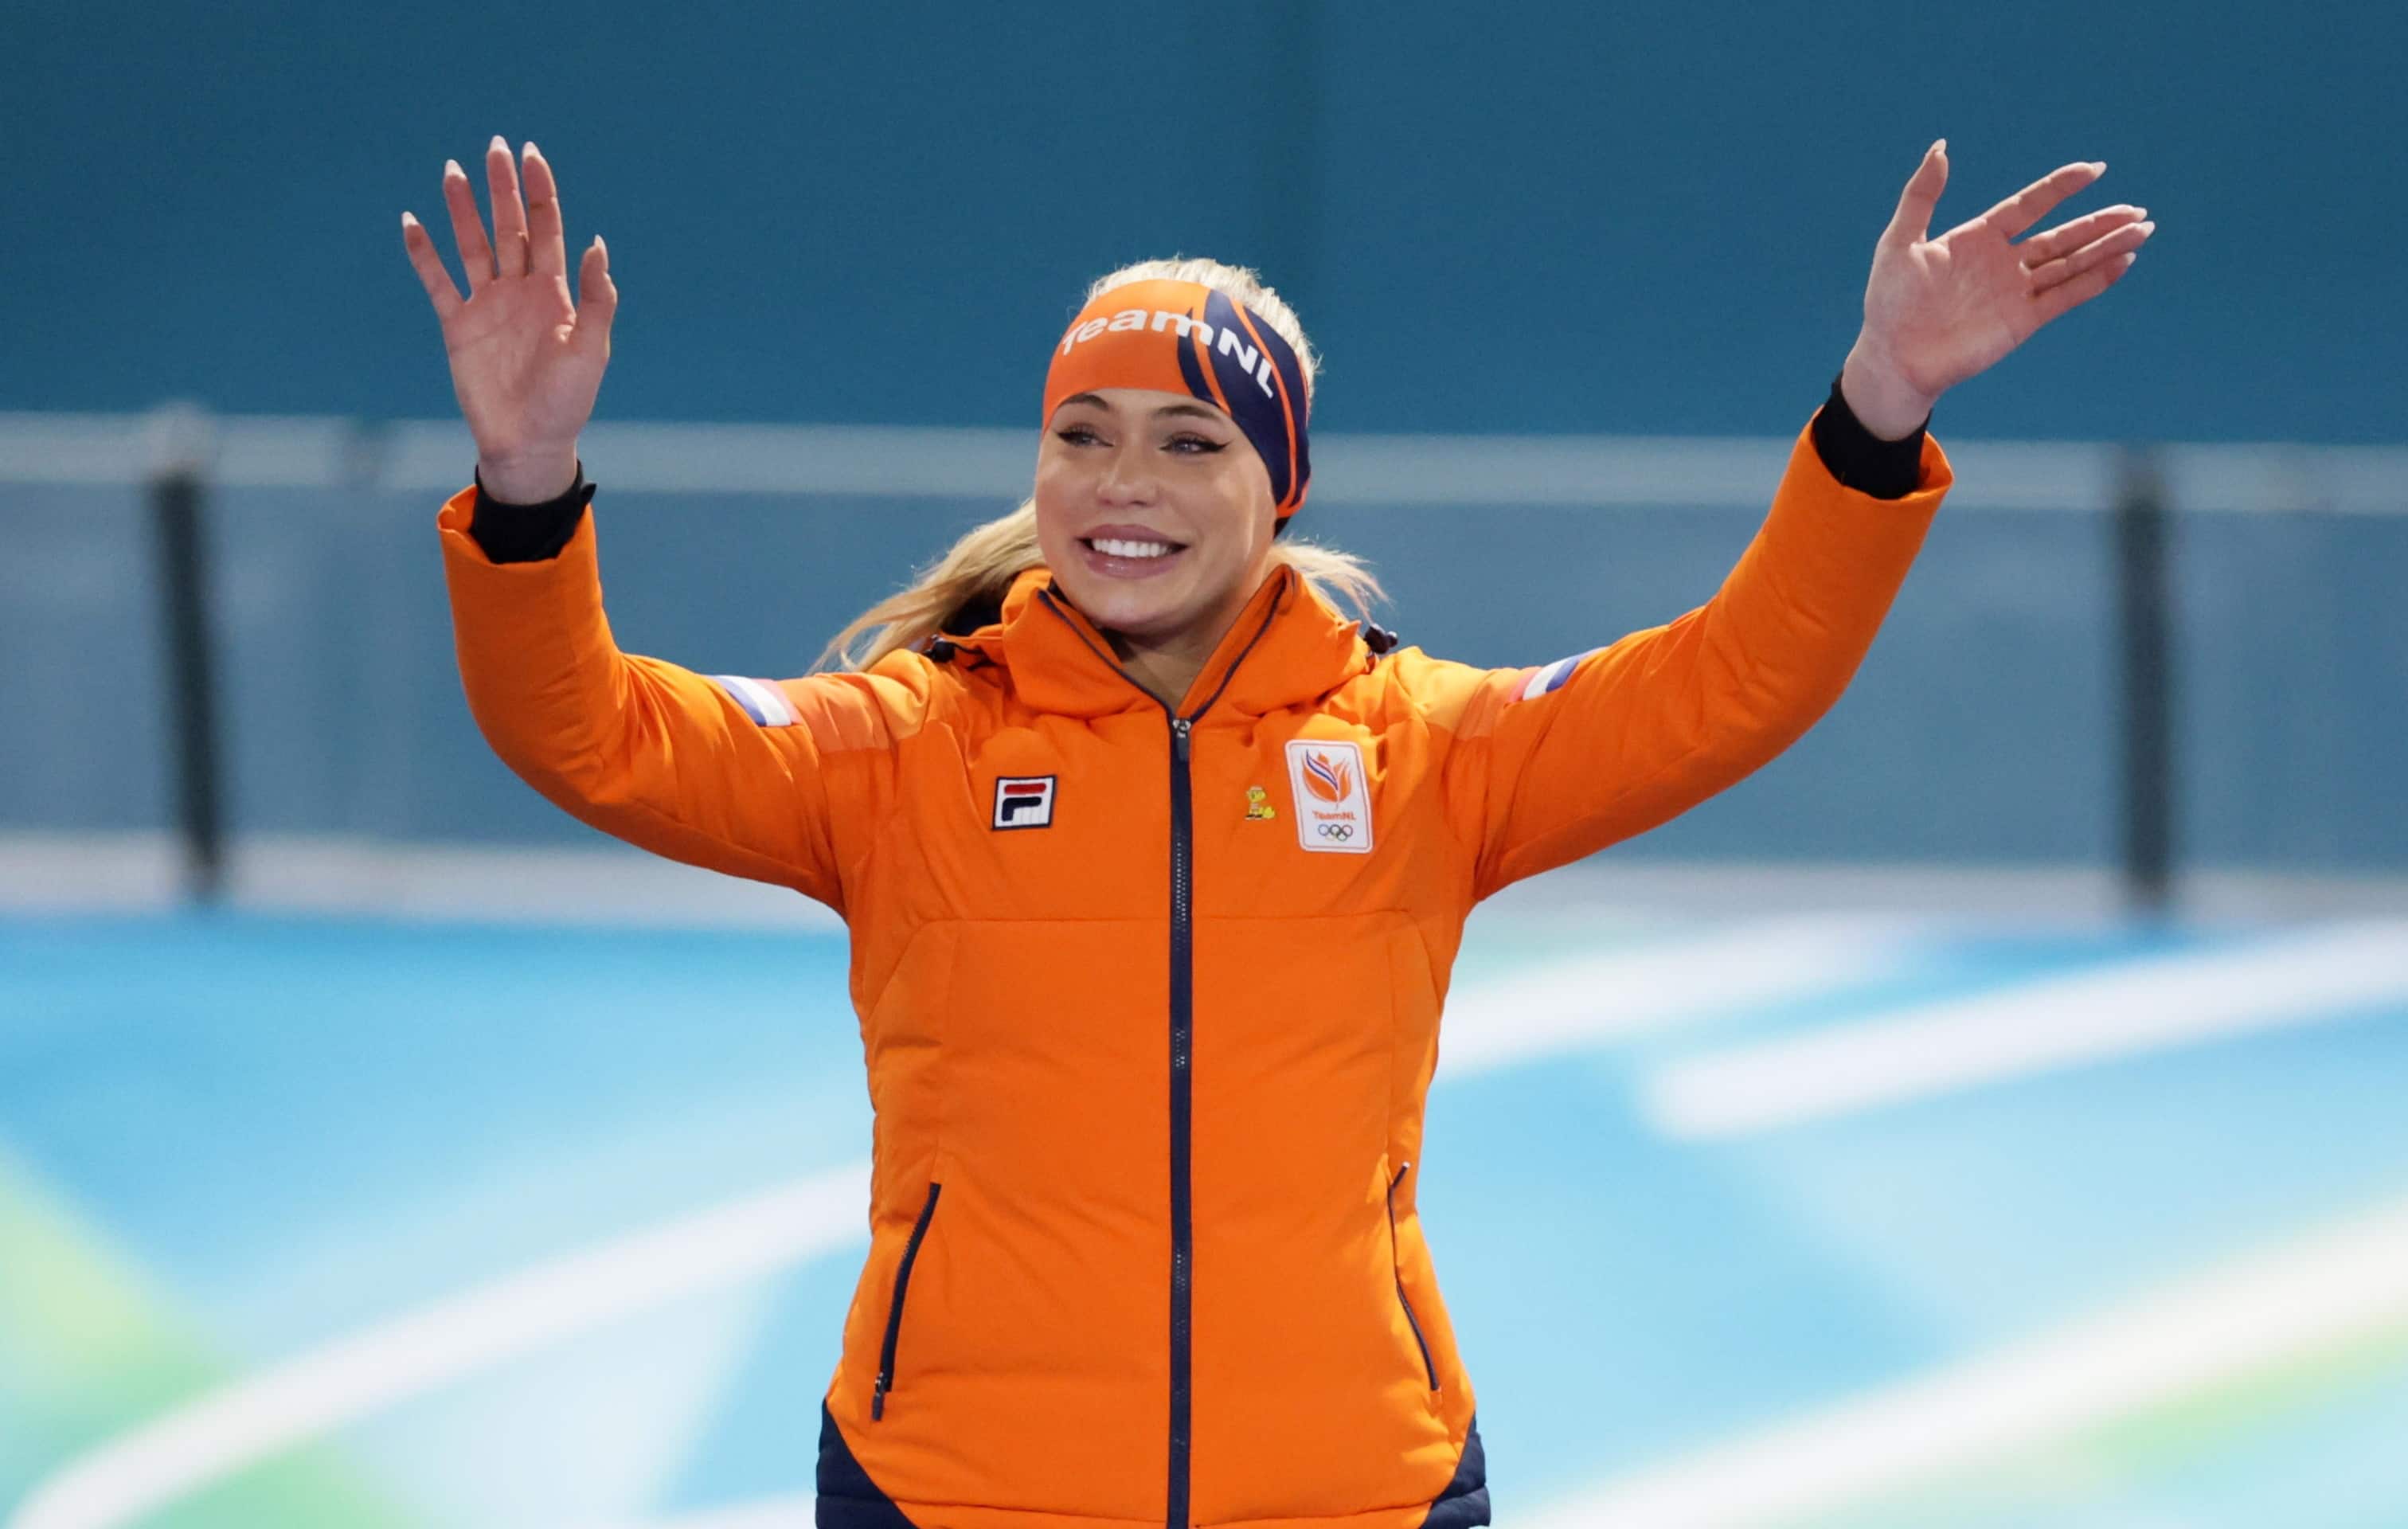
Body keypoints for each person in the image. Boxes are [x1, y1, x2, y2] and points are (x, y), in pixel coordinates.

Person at [402, 135, 2150, 1529]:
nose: (1121, 484)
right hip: (953, 1496)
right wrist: (528, 481)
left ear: (1278, 486)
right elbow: (591, 734)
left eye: (1185, 441)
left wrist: (1876, 411)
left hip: (1354, 1495)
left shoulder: (1419, 752)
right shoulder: (909, 750)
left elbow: (1732, 681)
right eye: (1079, 438)